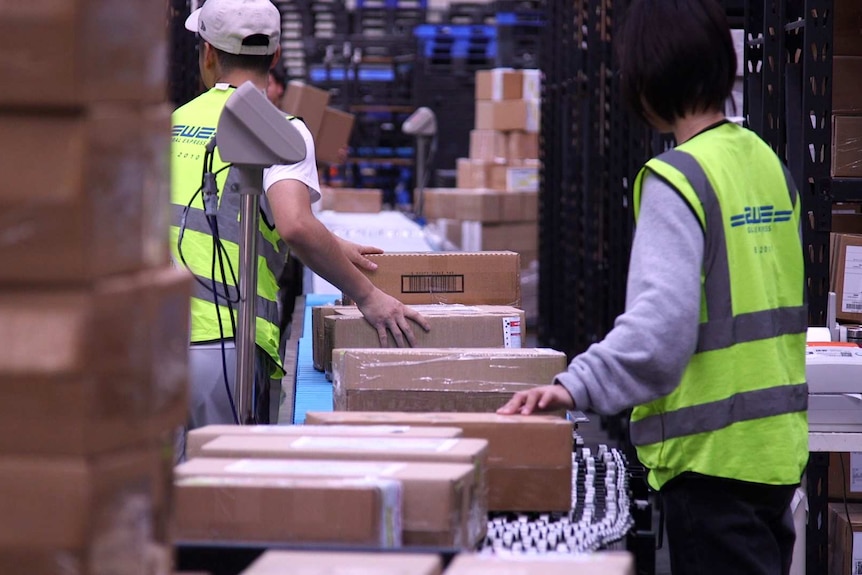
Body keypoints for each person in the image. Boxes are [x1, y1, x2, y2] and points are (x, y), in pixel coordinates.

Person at [498, 1, 808, 574]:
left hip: (709, 465)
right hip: (775, 456)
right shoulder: (767, 164)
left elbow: (659, 332)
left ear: (647, 78)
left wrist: (573, 385)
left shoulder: (678, 180)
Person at [171, 0, 429, 445]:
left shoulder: (176, 122)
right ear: (274, 57)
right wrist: (368, 296)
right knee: (221, 496)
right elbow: (293, 224)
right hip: (225, 340)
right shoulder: (278, 128)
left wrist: (331, 242)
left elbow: (233, 216)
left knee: (166, 497)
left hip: (159, 340)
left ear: (208, 52)